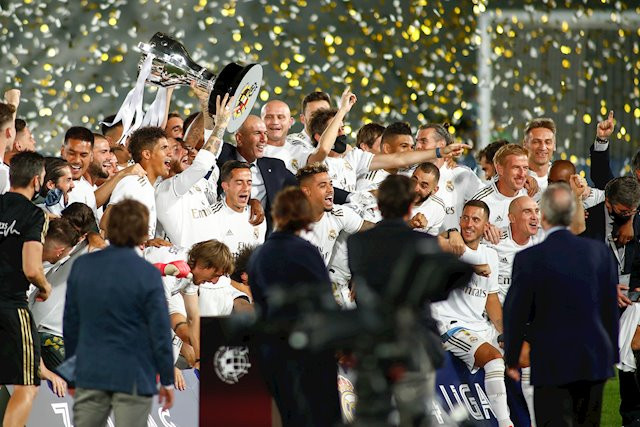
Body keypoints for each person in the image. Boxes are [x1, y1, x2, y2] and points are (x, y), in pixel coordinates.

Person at [503, 183, 618, 426]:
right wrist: (612, 356)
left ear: (544, 215)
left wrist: (512, 358)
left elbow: (516, 312)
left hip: (550, 360)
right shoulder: (599, 253)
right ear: (571, 214)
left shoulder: (529, 258)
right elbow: (609, 309)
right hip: (592, 359)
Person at [64, 199, 174, 427]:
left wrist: (72, 374)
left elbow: (71, 325)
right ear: (143, 233)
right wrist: (167, 379)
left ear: (110, 227)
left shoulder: (83, 266)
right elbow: (160, 331)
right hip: (134, 372)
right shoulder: (148, 274)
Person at [248, 186, 341, 426]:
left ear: (276, 214)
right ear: (305, 216)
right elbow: (325, 302)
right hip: (310, 351)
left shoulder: (258, 255)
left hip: (272, 352)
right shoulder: (306, 252)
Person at [431, 199, 514, 427]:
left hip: (480, 326)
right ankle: (505, 423)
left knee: (525, 357)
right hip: (451, 326)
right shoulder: (449, 247)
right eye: (465, 218)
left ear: (486, 225)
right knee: (494, 359)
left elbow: (491, 299)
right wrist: (450, 233)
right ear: (459, 220)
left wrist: (505, 332)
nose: (469, 224)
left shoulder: (491, 255)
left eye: (475, 220)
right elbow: (426, 241)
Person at [0, 151, 51, 427]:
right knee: (27, 385)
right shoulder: (34, 214)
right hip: (10, 307)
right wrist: (45, 285)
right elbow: (32, 268)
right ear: (36, 180)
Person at [217, 115, 299, 234]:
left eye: (265, 133)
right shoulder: (222, 154)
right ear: (239, 139)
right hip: (223, 234)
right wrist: (250, 202)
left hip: (261, 239)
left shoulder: (275, 167)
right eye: (257, 133)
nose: (264, 139)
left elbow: (305, 186)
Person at [100, 126, 171, 242]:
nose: (170, 153)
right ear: (147, 154)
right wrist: (143, 243)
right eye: (164, 148)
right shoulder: (133, 182)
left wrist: (146, 244)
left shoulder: (147, 186)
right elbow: (106, 223)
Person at [414, 123, 482, 231]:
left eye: (423, 141)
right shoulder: (407, 174)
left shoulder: (461, 174)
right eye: (416, 141)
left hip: (449, 240)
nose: (417, 146)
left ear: (441, 145)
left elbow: (486, 205)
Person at [208, 161, 266, 255]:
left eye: (249, 183)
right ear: (225, 186)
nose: (246, 188)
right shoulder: (212, 216)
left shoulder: (257, 217)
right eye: (239, 183)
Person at [409, 162, 446, 236]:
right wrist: (409, 224)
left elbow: (431, 238)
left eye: (423, 186)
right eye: (414, 181)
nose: (416, 188)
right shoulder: (395, 195)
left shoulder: (438, 208)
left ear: (434, 190)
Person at [523, 118, 556, 191]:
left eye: (547, 142)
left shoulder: (563, 176)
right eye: (536, 142)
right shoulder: (514, 177)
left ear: (554, 146)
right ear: (525, 144)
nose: (543, 147)